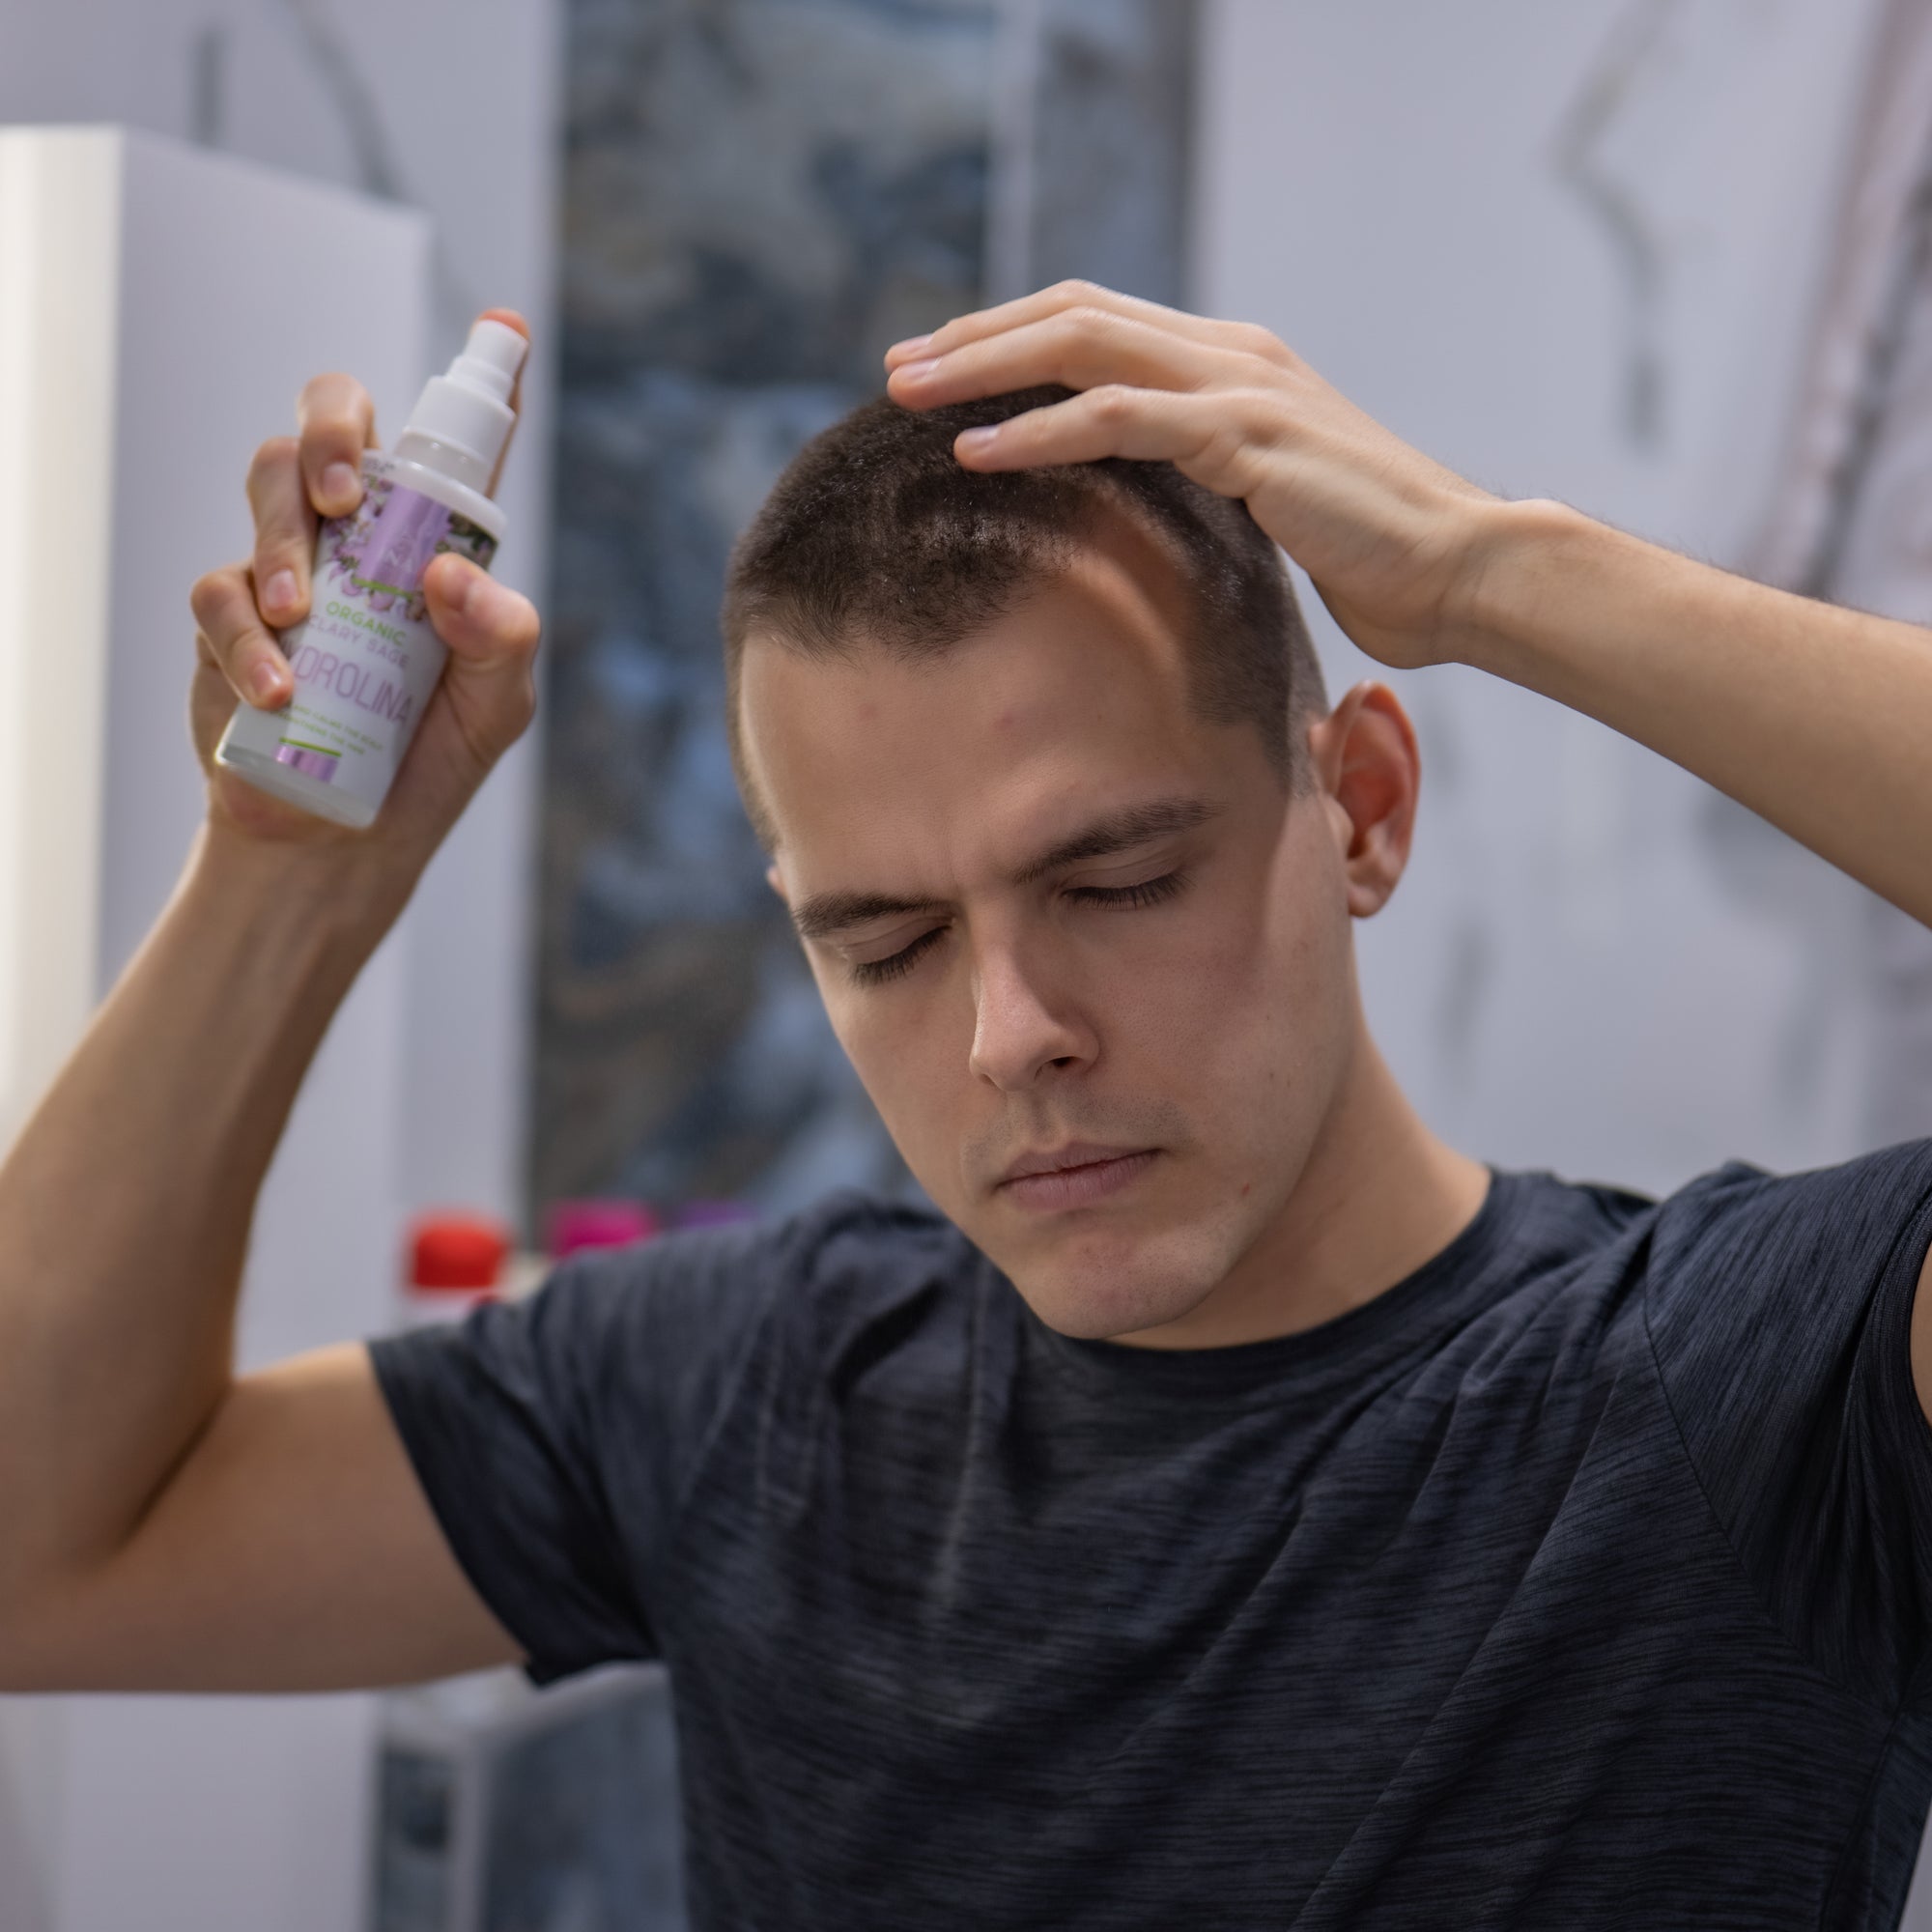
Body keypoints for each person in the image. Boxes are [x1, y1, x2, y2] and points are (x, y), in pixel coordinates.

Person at [2, 282, 1930, 1930]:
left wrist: (1492, 571)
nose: (1013, 1034)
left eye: (1116, 883)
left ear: (1358, 805)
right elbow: (38, 1558)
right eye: (891, 941)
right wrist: (289, 873)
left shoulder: (1746, 1396)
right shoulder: (747, 1390)